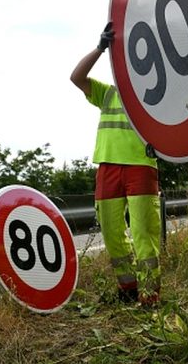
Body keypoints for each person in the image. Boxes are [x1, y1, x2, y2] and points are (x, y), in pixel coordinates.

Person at [70, 22, 162, 306]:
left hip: (141, 167)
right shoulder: (107, 93)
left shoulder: (155, 97)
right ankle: (128, 289)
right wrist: (100, 47)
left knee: (143, 234)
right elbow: (76, 77)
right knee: (112, 234)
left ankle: (150, 295)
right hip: (108, 167)